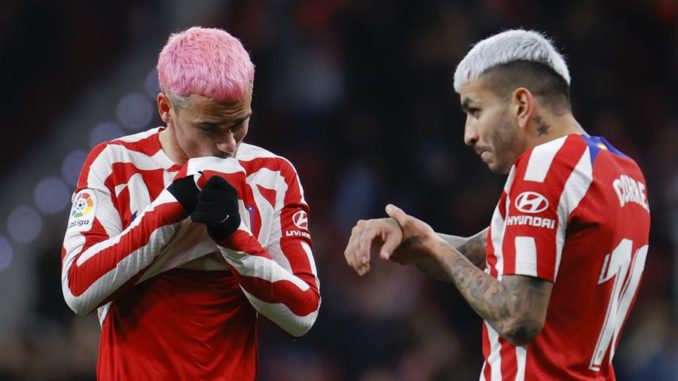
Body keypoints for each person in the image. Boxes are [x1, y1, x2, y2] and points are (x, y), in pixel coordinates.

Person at [344, 29, 650, 380]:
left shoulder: (545, 166)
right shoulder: (622, 172)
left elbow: (518, 317)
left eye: (475, 111)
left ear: (521, 104)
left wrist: (434, 248)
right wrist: (414, 237)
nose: (468, 134)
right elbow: (485, 252)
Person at [61, 26, 321, 380]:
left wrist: (234, 237)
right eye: (211, 127)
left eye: (240, 123)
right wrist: (169, 206)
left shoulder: (274, 176)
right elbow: (78, 289)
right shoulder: (115, 164)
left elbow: (303, 313)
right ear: (166, 108)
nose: (229, 144)